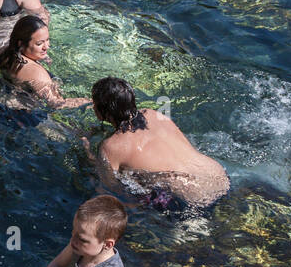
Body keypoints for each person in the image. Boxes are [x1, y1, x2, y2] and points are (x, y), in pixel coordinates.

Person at [89, 76, 231, 212]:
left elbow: (109, 188)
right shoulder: (153, 114)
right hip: (220, 177)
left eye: (94, 104)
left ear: (102, 112)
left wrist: (88, 155)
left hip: (192, 199)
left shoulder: (110, 147)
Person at [0, 14, 90, 118]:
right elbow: (57, 104)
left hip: (9, 103)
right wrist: (91, 102)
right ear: (21, 44)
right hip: (30, 116)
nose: (47, 47)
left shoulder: (6, 54)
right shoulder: (37, 73)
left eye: (47, 40)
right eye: (39, 43)